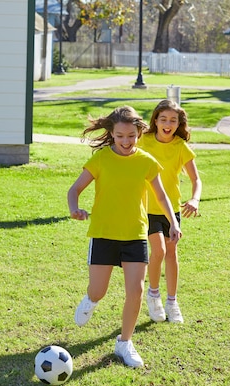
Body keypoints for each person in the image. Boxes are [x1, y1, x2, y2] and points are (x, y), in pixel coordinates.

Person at [67, 106, 181, 368]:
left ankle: (124, 342)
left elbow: (162, 196)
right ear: (112, 134)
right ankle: (91, 300)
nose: (126, 142)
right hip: (104, 234)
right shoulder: (101, 160)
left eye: (131, 136)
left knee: (136, 290)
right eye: (120, 136)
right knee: (99, 290)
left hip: (135, 235)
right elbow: (74, 189)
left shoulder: (147, 162)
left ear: (139, 133)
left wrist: (173, 222)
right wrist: (74, 208)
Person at [139, 99, 202, 324]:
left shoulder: (180, 147)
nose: (168, 124)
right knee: (159, 251)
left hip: (171, 209)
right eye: (163, 119)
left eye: (173, 120)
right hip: (146, 207)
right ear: (155, 120)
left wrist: (194, 199)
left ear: (178, 123)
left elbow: (196, 179)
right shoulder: (142, 140)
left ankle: (172, 302)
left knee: (171, 253)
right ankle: (153, 295)